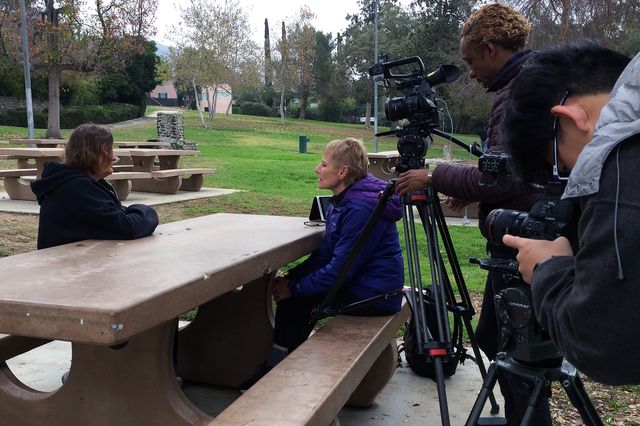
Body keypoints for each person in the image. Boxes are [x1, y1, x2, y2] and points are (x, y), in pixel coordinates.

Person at [395, 3, 546, 421]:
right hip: (528, 233)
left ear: (492, 49)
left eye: (471, 60)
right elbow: (505, 168)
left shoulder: (520, 92)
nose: (472, 72)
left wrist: (434, 177)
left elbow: (504, 178)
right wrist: (473, 188)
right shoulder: (532, 82)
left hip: (519, 243)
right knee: (499, 343)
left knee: (519, 361)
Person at [500, 41, 636, 385]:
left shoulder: (623, 163)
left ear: (573, 117)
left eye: (559, 166)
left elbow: (603, 345)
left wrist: (549, 268)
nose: (572, 183)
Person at [240, 138, 404, 391]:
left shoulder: (360, 208)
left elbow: (341, 271)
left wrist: (293, 288)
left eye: (323, 164)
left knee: (297, 301)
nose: (317, 169)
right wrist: (293, 277)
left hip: (376, 295)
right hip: (365, 284)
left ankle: (276, 371)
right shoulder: (346, 200)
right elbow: (326, 255)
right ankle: (281, 363)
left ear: (342, 172)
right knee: (295, 292)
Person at [31, 123, 159, 249]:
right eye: (108, 151)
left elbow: (112, 215)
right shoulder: (76, 188)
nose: (114, 157)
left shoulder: (78, 183)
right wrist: (148, 212)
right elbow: (127, 227)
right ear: (90, 154)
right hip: (66, 266)